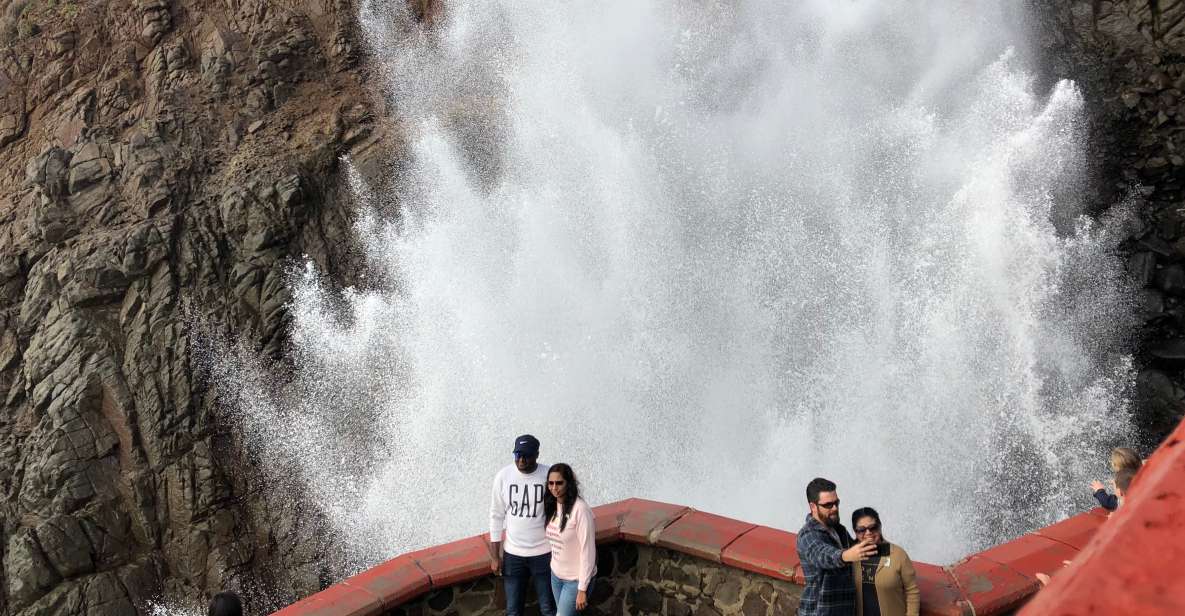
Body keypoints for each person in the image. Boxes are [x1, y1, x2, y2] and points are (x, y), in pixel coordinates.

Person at [490, 434, 556, 616]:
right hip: (513, 556)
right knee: (513, 610)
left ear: (537, 455)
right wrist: (495, 557)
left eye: (526, 455)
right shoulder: (504, 476)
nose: (521, 459)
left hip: (544, 553)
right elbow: (496, 516)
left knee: (548, 608)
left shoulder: (549, 475)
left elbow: (564, 508)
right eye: (517, 454)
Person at [796, 477, 878, 616]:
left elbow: (858, 552)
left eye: (836, 503)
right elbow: (822, 555)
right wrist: (845, 556)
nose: (834, 508)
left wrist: (868, 537)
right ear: (813, 506)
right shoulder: (807, 535)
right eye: (828, 505)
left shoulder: (839, 530)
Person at [544, 463, 597, 615]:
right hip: (556, 576)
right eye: (551, 483)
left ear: (569, 483)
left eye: (559, 483)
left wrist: (582, 588)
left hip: (575, 581)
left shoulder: (580, 509)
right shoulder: (552, 506)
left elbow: (588, 550)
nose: (554, 487)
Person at [850, 507, 919, 616]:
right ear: (855, 532)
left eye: (873, 528)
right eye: (861, 530)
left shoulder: (898, 555)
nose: (868, 533)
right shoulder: (851, 556)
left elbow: (912, 591)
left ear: (880, 527)